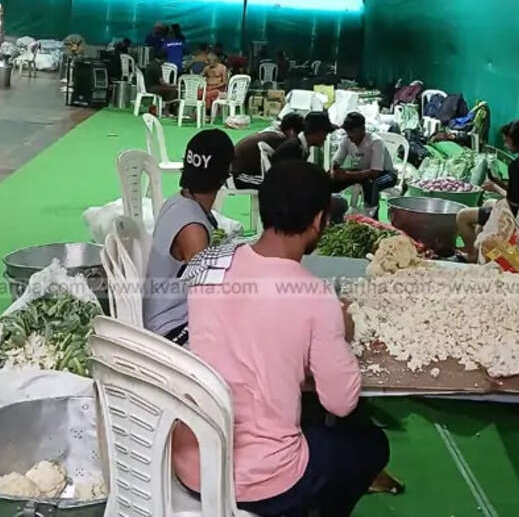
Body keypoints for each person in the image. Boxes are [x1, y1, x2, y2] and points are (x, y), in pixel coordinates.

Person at [175, 160, 389, 516]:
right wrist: (341, 325)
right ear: (319, 220)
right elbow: (341, 401)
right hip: (259, 480)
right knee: (370, 445)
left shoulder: (211, 265)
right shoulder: (316, 296)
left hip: (191, 460)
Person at [142, 129, 234, 345]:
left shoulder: (177, 201)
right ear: (226, 173)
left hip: (161, 317)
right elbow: (206, 298)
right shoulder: (193, 229)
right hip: (171, 330)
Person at [456, 120, 519, 262]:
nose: (506, 145)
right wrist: (499, 182)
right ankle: (478, 252)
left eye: (507, 141)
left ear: (516, 141)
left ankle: (472, 254)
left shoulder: (517, 166)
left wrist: (495, 188)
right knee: (488, 203)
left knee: (462, 216)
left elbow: (514, 202)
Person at [269, 111, 348, 223]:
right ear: (318, 132)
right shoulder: (294, 148)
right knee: (339, 203)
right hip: (287, 199)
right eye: (325, 134)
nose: (325, 139)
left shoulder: (299, 146)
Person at [330, 112, 398, 218]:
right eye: (347, 131)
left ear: (362, 129)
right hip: (363, 171)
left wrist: (347, 175)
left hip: (386, 174)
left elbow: (375, 172)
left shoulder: (376, 142)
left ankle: (372, 217)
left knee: (371, 183)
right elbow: (336, 161)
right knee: (331, 180)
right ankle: (332, 214)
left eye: (352, 131)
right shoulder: (346, 140)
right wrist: (335, 170)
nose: (349, 134)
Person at [232, 113, 304, 189]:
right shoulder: (279, 139)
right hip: (238, 177)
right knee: (279, 186)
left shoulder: (272, 132)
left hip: (237, 173)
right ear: (292, 131)